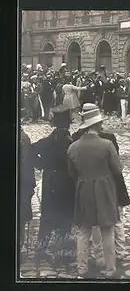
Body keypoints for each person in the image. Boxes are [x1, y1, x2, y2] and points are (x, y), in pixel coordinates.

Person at [67, 104, 123, 278]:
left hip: (83, 189)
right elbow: (118, 170)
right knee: (107, 229)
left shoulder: (73, 147)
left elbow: (71, 173)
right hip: (105, 190)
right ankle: (110, 268)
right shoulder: (107, 145)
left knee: (83, 231)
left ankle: (82, 268)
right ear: (96, 125)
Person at [31, 105, 75, 265]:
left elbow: (30, 152)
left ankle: (41, 248)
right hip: (69, 182)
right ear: (69, 124)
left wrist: (41, 163)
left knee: (48, 215)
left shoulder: (46, 142)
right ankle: (63, 252)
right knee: (66, 215)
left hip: (50, 182)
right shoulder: (73, 142)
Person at [19, 128, 36, 267]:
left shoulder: (23, 138)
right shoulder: (24, 138)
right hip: (23, 183)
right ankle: (19, 246)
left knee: (21, 216)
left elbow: (27, 163)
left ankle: (18, 246)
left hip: (22, 183)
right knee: (21, 216)